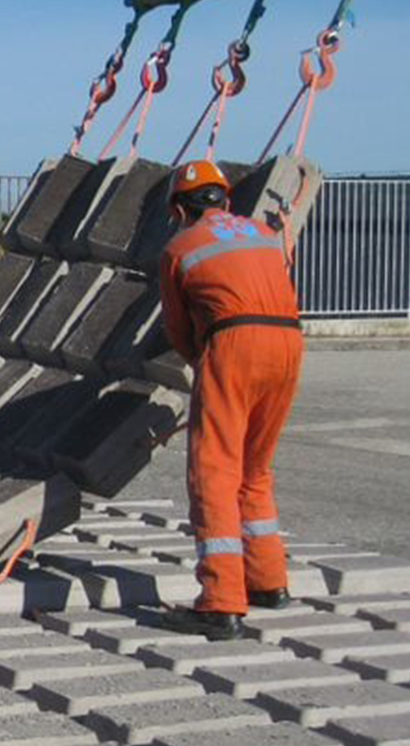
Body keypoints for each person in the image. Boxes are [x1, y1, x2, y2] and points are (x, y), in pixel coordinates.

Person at [156, 160, 304, 641]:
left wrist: (206, 366)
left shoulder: (180, 246)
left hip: (233, 343)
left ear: (180, 208)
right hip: (288, 343)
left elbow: (179, 331)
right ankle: (269, 584)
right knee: (254, 469)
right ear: (226, 200)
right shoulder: (263, 232)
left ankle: (220, 603)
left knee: (214, 471)